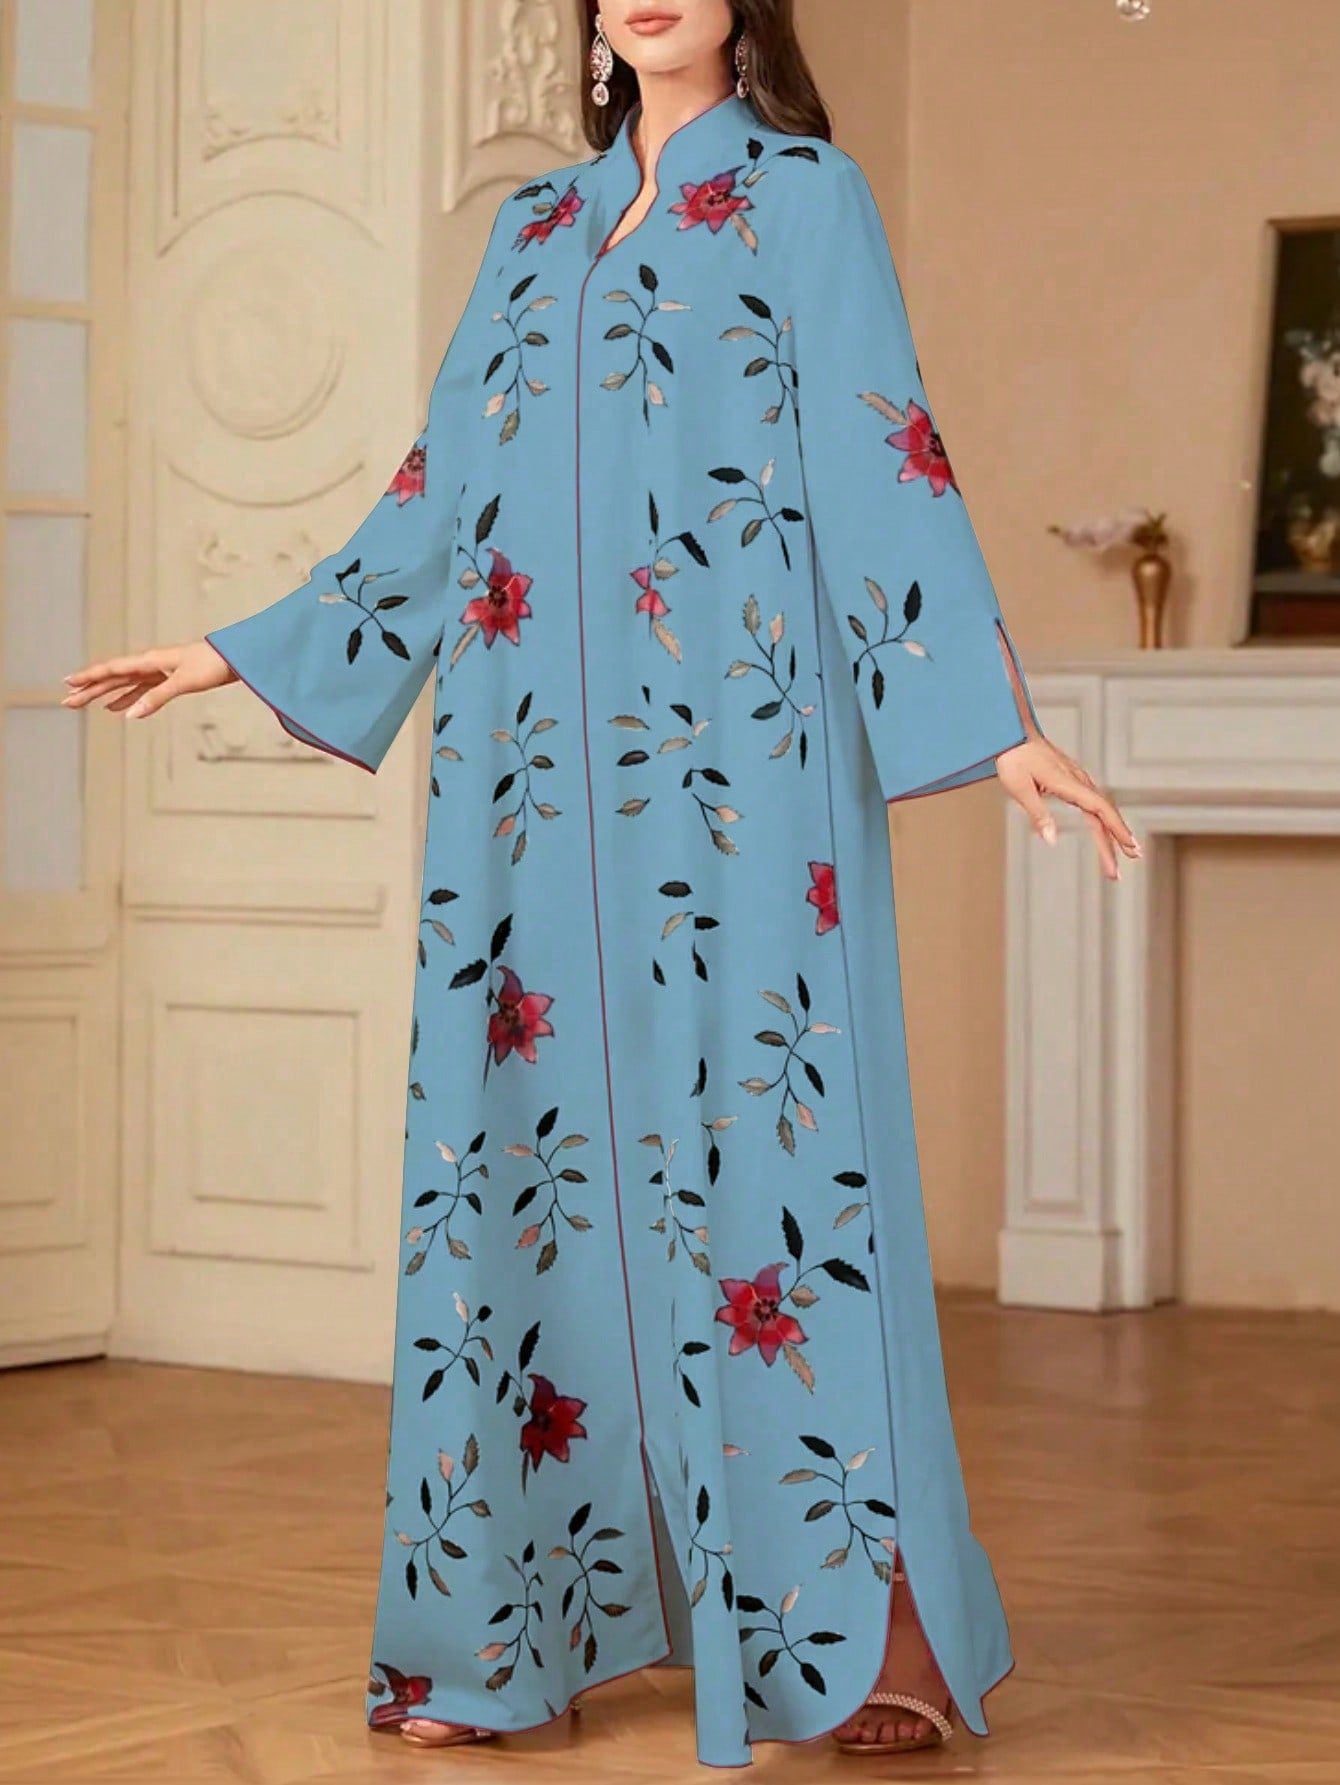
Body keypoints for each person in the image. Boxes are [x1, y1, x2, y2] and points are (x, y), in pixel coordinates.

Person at [63, 0, 1140, 1766]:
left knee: (780, 1177)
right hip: (529, 789)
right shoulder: (531, 230)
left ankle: (870, 1634)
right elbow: (440, 495)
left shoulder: (804, 199)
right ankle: (515, 1630)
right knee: (530, 1171)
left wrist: (992, 725)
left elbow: (884, 454)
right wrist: (238, 648)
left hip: (749, 776)